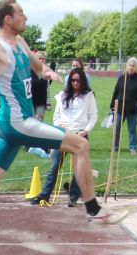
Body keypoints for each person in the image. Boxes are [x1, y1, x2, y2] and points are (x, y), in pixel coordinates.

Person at [0, 0, 128, 245]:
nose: (25, 17)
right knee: (81, 145)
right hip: (16, 122)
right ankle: (93, 209)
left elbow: (38, 66)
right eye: (21, 13)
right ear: (8, 19)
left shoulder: (20, 42)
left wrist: (48, 72)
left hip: (11, 124)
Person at [31, 67, 97, 207]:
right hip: (63, 135)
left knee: (78, 169)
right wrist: (60, 127)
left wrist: (85, 131)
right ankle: (45, 195)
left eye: (78, 80)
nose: (75, 83)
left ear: (83, 81)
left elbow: (93, 116)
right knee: (54, 166)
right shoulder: (62, 95)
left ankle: (73, 197)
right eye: (72, 80)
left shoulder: (89, 96)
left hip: (80, 135)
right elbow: (56, 116)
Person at [109, 57, 137, 154]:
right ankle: (115, 146)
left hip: (133, 109)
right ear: (126, 66)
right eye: (129, 65)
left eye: (133, 66)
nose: (131, 67)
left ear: (136, 67)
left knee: (132, 129)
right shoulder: (122, 78)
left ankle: (133, 147)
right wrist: (112, 105)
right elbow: (116, 91)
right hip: (119, 108)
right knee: (117, 128)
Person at [30, 50, 51, 120]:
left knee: (39, 122)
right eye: (39, 58)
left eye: (43, 59)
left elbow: (47, 89)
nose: (41, 60)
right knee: (30, 123)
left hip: (41, 104)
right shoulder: (29, 71)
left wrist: (47, 104)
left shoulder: (47, 73)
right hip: (31, 103)